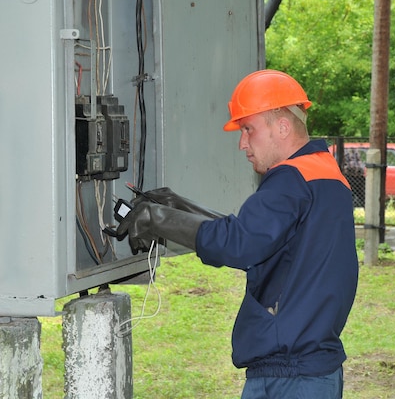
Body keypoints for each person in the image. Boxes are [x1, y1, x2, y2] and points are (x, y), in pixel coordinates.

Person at [118, 69, 359, 398]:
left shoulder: (291, 178)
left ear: (283, 126)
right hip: (312, 366)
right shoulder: (324, 174)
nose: (242, 143)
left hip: (288, 376)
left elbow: (240, 244)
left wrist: (157, 218)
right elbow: (262, 239)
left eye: (248, 129)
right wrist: (179, 207)